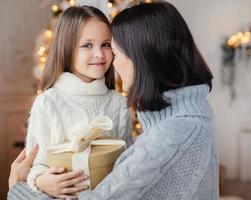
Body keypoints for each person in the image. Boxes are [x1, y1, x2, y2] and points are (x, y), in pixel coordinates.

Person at [8, 2, 219, 200]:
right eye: (87, 45)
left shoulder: (169, 131)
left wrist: (18, 188)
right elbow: (38, 161)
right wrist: (37, 179)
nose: (106, 58)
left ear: (141, 58)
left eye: (111, 49)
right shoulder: (180, 120)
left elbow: (119, 175)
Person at [9, 5, 132, 199]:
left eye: (106, 44)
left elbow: (127, 161)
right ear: (67, 49)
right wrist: (41, 180)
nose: (100, 54)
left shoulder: (118, 103)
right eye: (87, 45)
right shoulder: (47, 103)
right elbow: (36, 163)